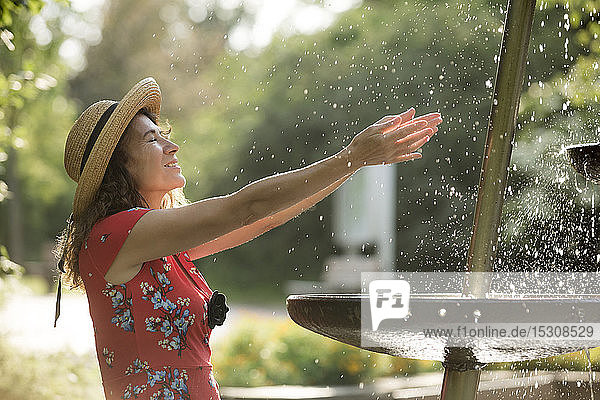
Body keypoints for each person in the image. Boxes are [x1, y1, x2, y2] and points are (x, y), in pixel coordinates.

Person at [54, 77, 442, 400]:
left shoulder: (155, 242)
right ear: (117, 166)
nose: (172, 146)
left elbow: (262, 219)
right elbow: (246, 207)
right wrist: (350, 158)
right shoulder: (117, 234)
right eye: (152, 140)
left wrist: (355, 164)